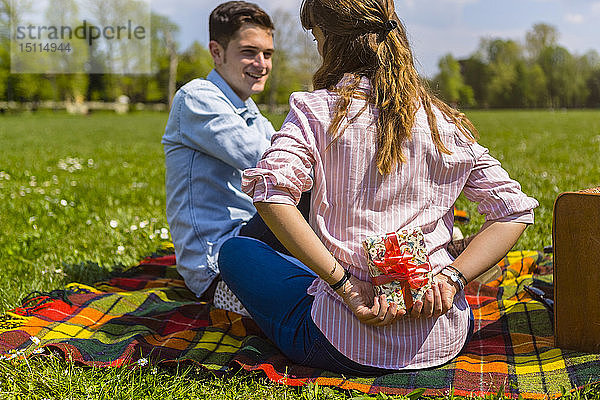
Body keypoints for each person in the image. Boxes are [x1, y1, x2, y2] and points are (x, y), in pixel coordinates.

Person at [217, 0, 539, 375]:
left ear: (333, 43)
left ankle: (318, 283)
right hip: (444, 338)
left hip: (342, 342)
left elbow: (271, 194)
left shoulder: (317, 111)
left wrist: (347, 286)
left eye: (318, 37)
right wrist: (453, 277)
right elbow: (514, 210)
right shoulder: (441, 120)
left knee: (236, 250)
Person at [162, 1, 279, 299]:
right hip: (217, 263)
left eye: (268, 54)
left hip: (249, 241)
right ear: (217, 52)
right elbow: (270, 164)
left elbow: (288, 155)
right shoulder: (197, 98)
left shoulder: (249, 109)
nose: (262, 64)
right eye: (249, 52)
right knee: (304, 194)